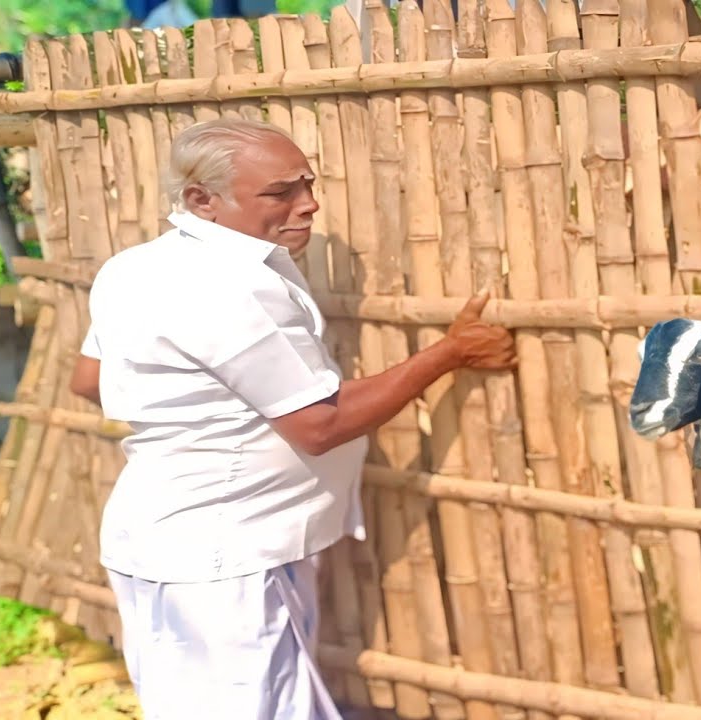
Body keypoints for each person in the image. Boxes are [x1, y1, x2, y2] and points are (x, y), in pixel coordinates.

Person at [69, 117, 517, 720]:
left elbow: (90, 381)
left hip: (171, 539)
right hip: (224, 556)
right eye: (280, 193)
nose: (308, 205)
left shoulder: (136, 267)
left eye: (308, 183)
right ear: (203, 200)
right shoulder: (229, 287)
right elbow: (318, 425)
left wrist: (204, 421)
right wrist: (450, 353)